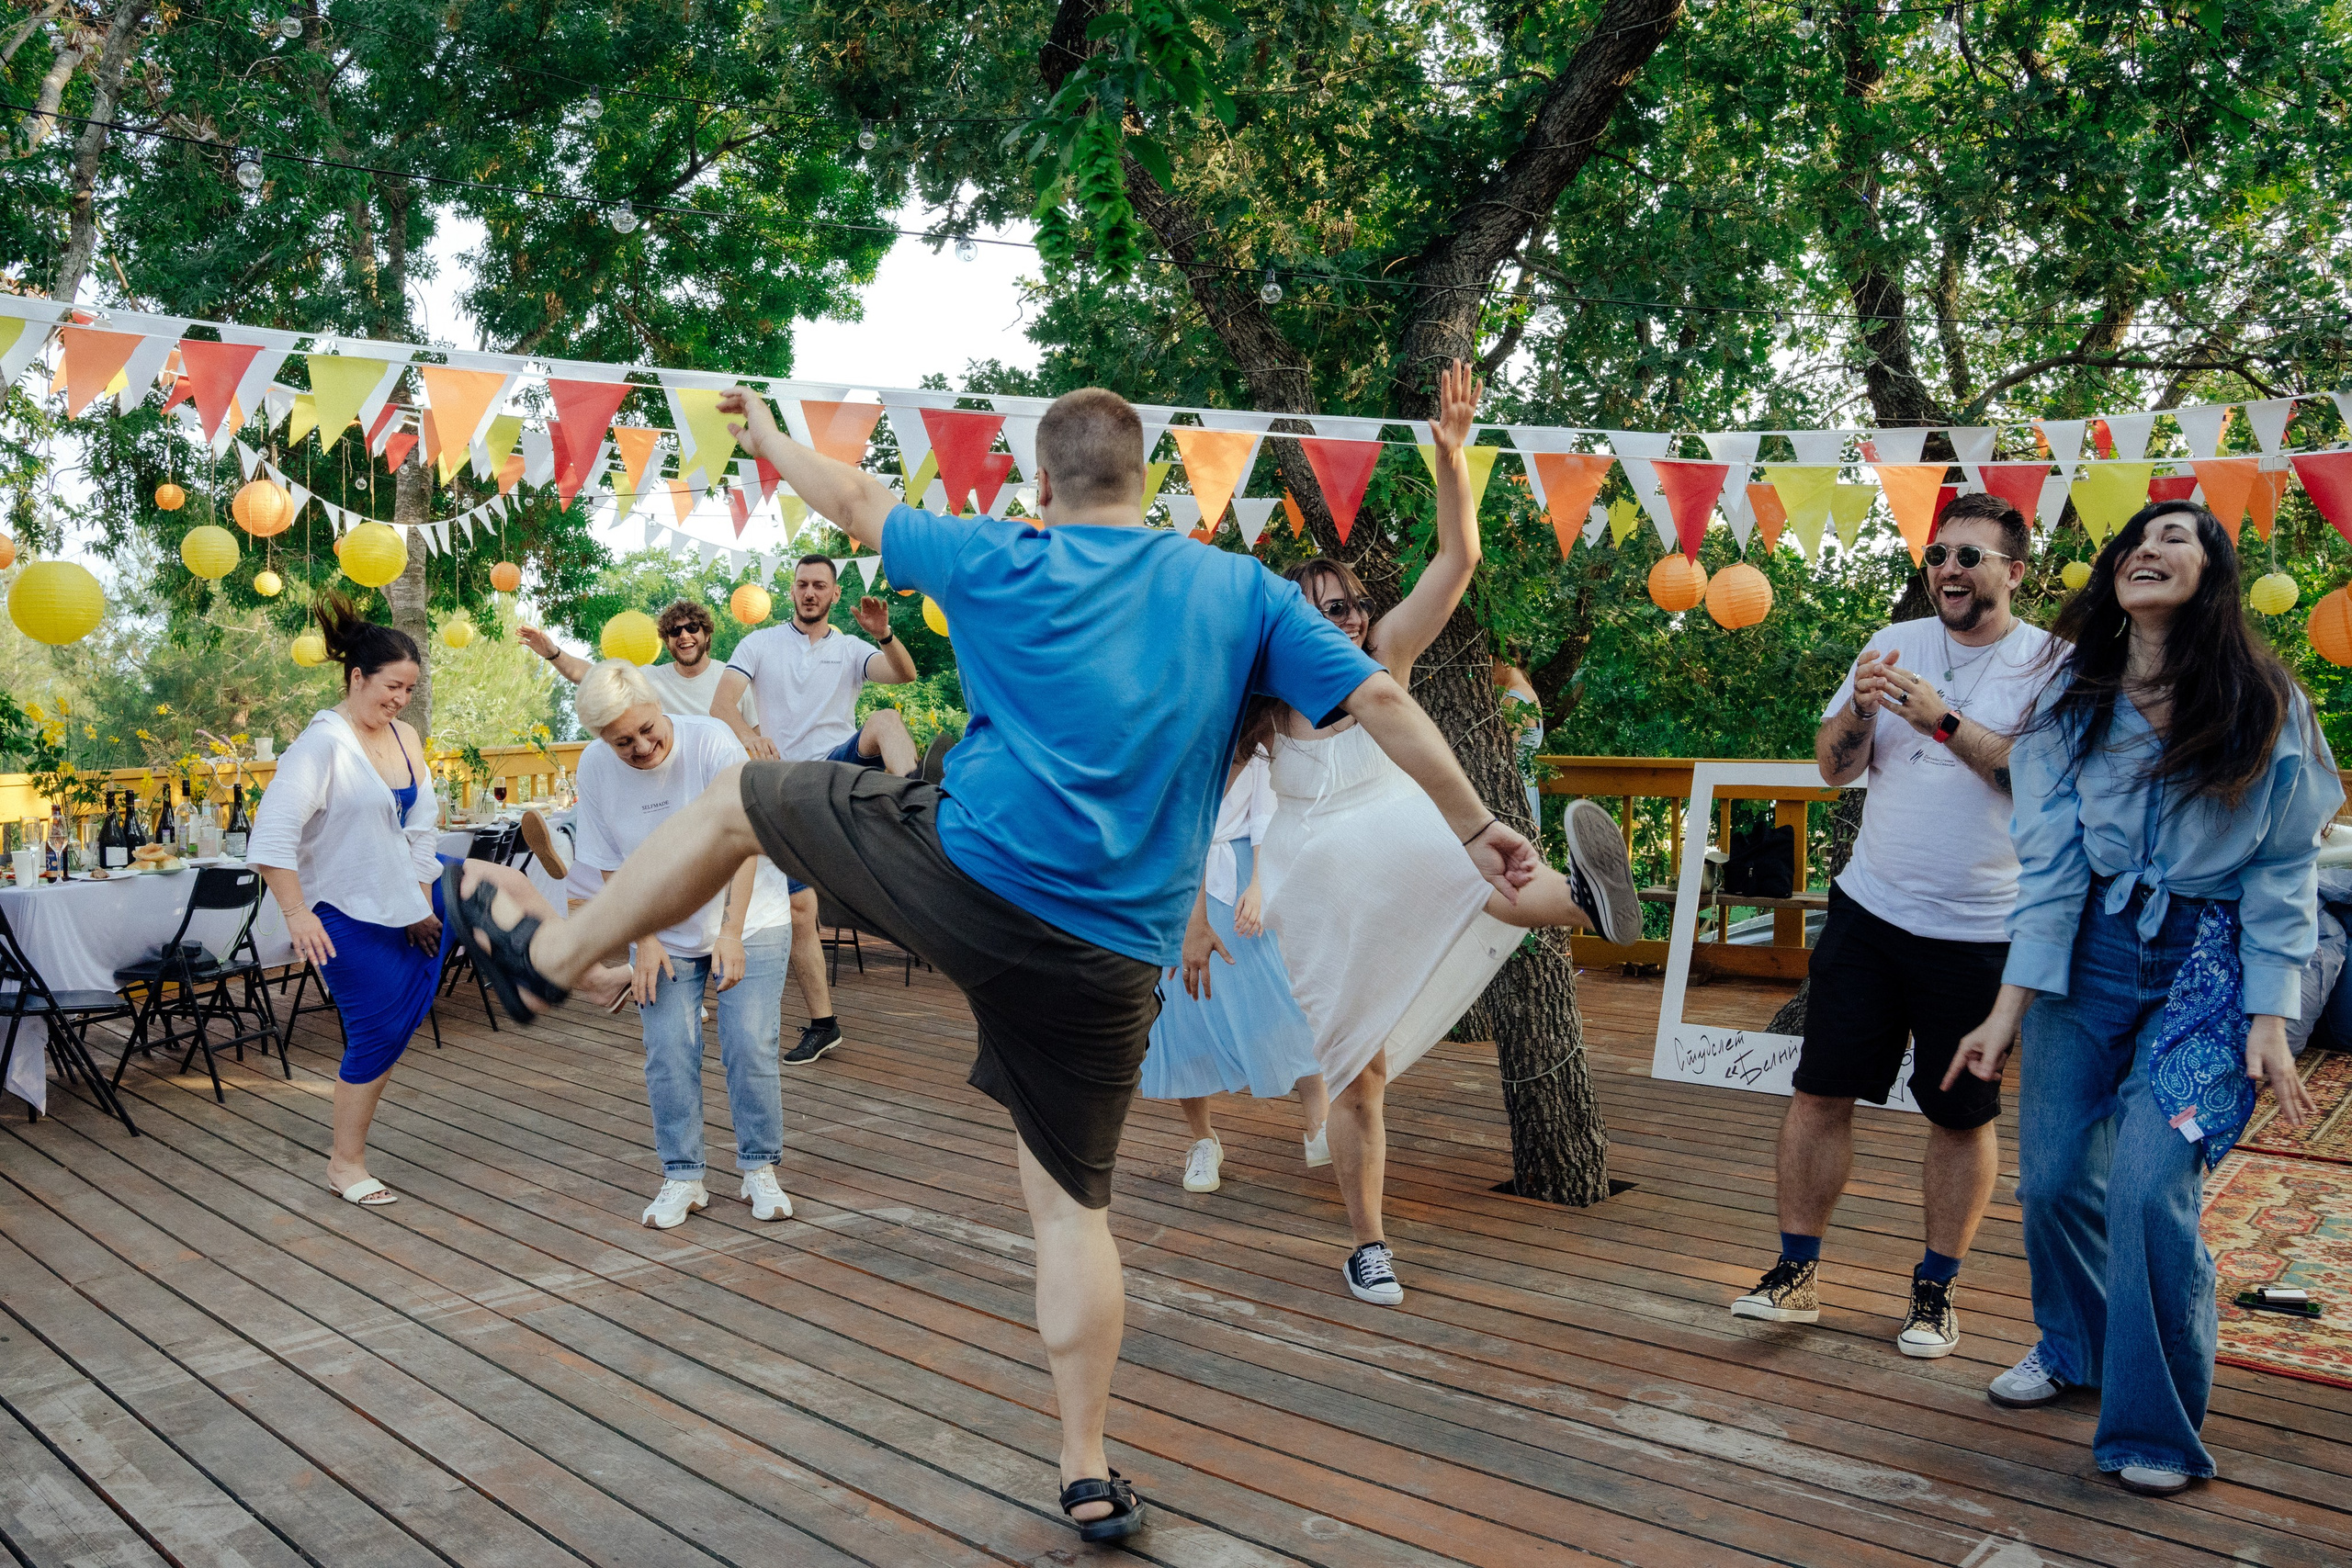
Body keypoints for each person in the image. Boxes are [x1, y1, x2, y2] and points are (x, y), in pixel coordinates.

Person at [440, 368, 1619, 1545]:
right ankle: (1087, 1468)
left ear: (1044, 483)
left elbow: (853, 501)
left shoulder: (1006, 555)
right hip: (1112, 954)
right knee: (1070, 1215)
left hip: (967, 878)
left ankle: (562, 949)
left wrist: (767, 435)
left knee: (743, 801)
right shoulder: (1238, 589)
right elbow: (1381, 700)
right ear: (1149, 480)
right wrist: (1476, 826)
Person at [1226, 360, 1641, 1309]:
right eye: (1330, 609)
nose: (1352, 617)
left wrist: (1453, 458)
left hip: (1402, 835)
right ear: (1293, 624)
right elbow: (1205, 797)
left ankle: (1590, 897)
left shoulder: (1386, 660)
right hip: (1322, 889)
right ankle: (1367, 1245)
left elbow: (1457, 562)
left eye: (1355, 605)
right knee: (1355, 1073)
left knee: (1494, 881)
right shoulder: (1258, 705)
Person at [1944, 500, 2335, 1497]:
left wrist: (2267, 1015)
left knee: (2148, 1189)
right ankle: (2074, 1347)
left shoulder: (2263, 698)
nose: (2151, 549)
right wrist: (2005, 1011)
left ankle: (2154, 1429)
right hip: (2088, 952)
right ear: (2114, 573)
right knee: (2055, 1177)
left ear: (2211, 578)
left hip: (2207, 966)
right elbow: (2051, 869)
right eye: (2138, 539)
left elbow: (2285, 869)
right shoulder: (2075, 699)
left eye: (2179, 538)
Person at [1729, 491, 2052, 1358]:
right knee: (1820, 1090)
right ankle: (1795, 1272)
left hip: (1982, 929)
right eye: (1939, 553)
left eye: (1969, 556)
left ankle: (1934, 1291)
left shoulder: (2049, 662)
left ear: (2014, 572)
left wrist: (1939, 720)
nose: (1948, 568)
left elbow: (2040, 785)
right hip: (1870, 912)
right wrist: (1863, 711)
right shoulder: (1895, 642)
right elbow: (1833, 770)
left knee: (1959, 1115)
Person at [571, 659, 796, 1229]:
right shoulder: (595, 769)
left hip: (749, 915)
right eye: (624, 742)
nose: (643, 747)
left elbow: (745, 843)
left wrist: (730, 931)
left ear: (660, 708)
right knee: (668, 1051)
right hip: (659, 929)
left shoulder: (713, 743)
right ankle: (683, 1175)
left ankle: (759, 1168)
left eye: (649, 730)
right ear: (601, 738)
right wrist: (641, 938)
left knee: (749, 1044)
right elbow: (611, 867)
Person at [250, 595, 457, 1208]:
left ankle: (589, 969)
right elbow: (273, 837)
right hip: (342, 908)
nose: (399, 699)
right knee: (376, 1028)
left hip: (403, 901)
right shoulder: (322, 746)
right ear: (356, 676)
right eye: (391, 685)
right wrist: (296, 912)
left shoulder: (405, 734)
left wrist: (422, 902)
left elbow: (422, 825)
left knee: (498, 889)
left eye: (409, 689)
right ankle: (345, 1163)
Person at [712, 556, 924, 1066]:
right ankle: (823, 1025)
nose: (810, 593)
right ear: (792, 591)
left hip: (837, 769)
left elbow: (905, 673)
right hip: (784, 783)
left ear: (833, 595)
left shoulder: (851, 649)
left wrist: (884, 633)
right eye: (803, 584)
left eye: (820, 586)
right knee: (800, 911)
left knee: (885, 717)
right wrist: (751, 736)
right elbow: (722, 705)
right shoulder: (758, 644)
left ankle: (917, 812)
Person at [1141, 751, 1329, 1193]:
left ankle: (1318, 1120)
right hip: (1175, 879)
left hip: (1244, 869)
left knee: (1283, 995)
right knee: (1181, 1012)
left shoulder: (1255, 736)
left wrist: (1260, 883)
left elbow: (1265, 816)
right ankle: (1203, 1140)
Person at [516, 600, 754, 878]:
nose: (685, 636)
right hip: (652, 781)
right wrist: (553, 652)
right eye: (675, 632)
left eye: (692, 627)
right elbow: (592, 678)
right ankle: (566, 840)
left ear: (707, 633)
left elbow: (753, 737)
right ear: (667, 641)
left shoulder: (731, 681)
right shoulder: (650, 679)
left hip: (705, 784)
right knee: (599, 762)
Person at [1494, 658, 1544, 831]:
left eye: (1493, 662)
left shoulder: (1514, 697)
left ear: (1507, 662)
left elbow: (1505, 747)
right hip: (1527, 780)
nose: (1490, 667)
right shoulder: (1527, 690)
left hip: (1515, 785)